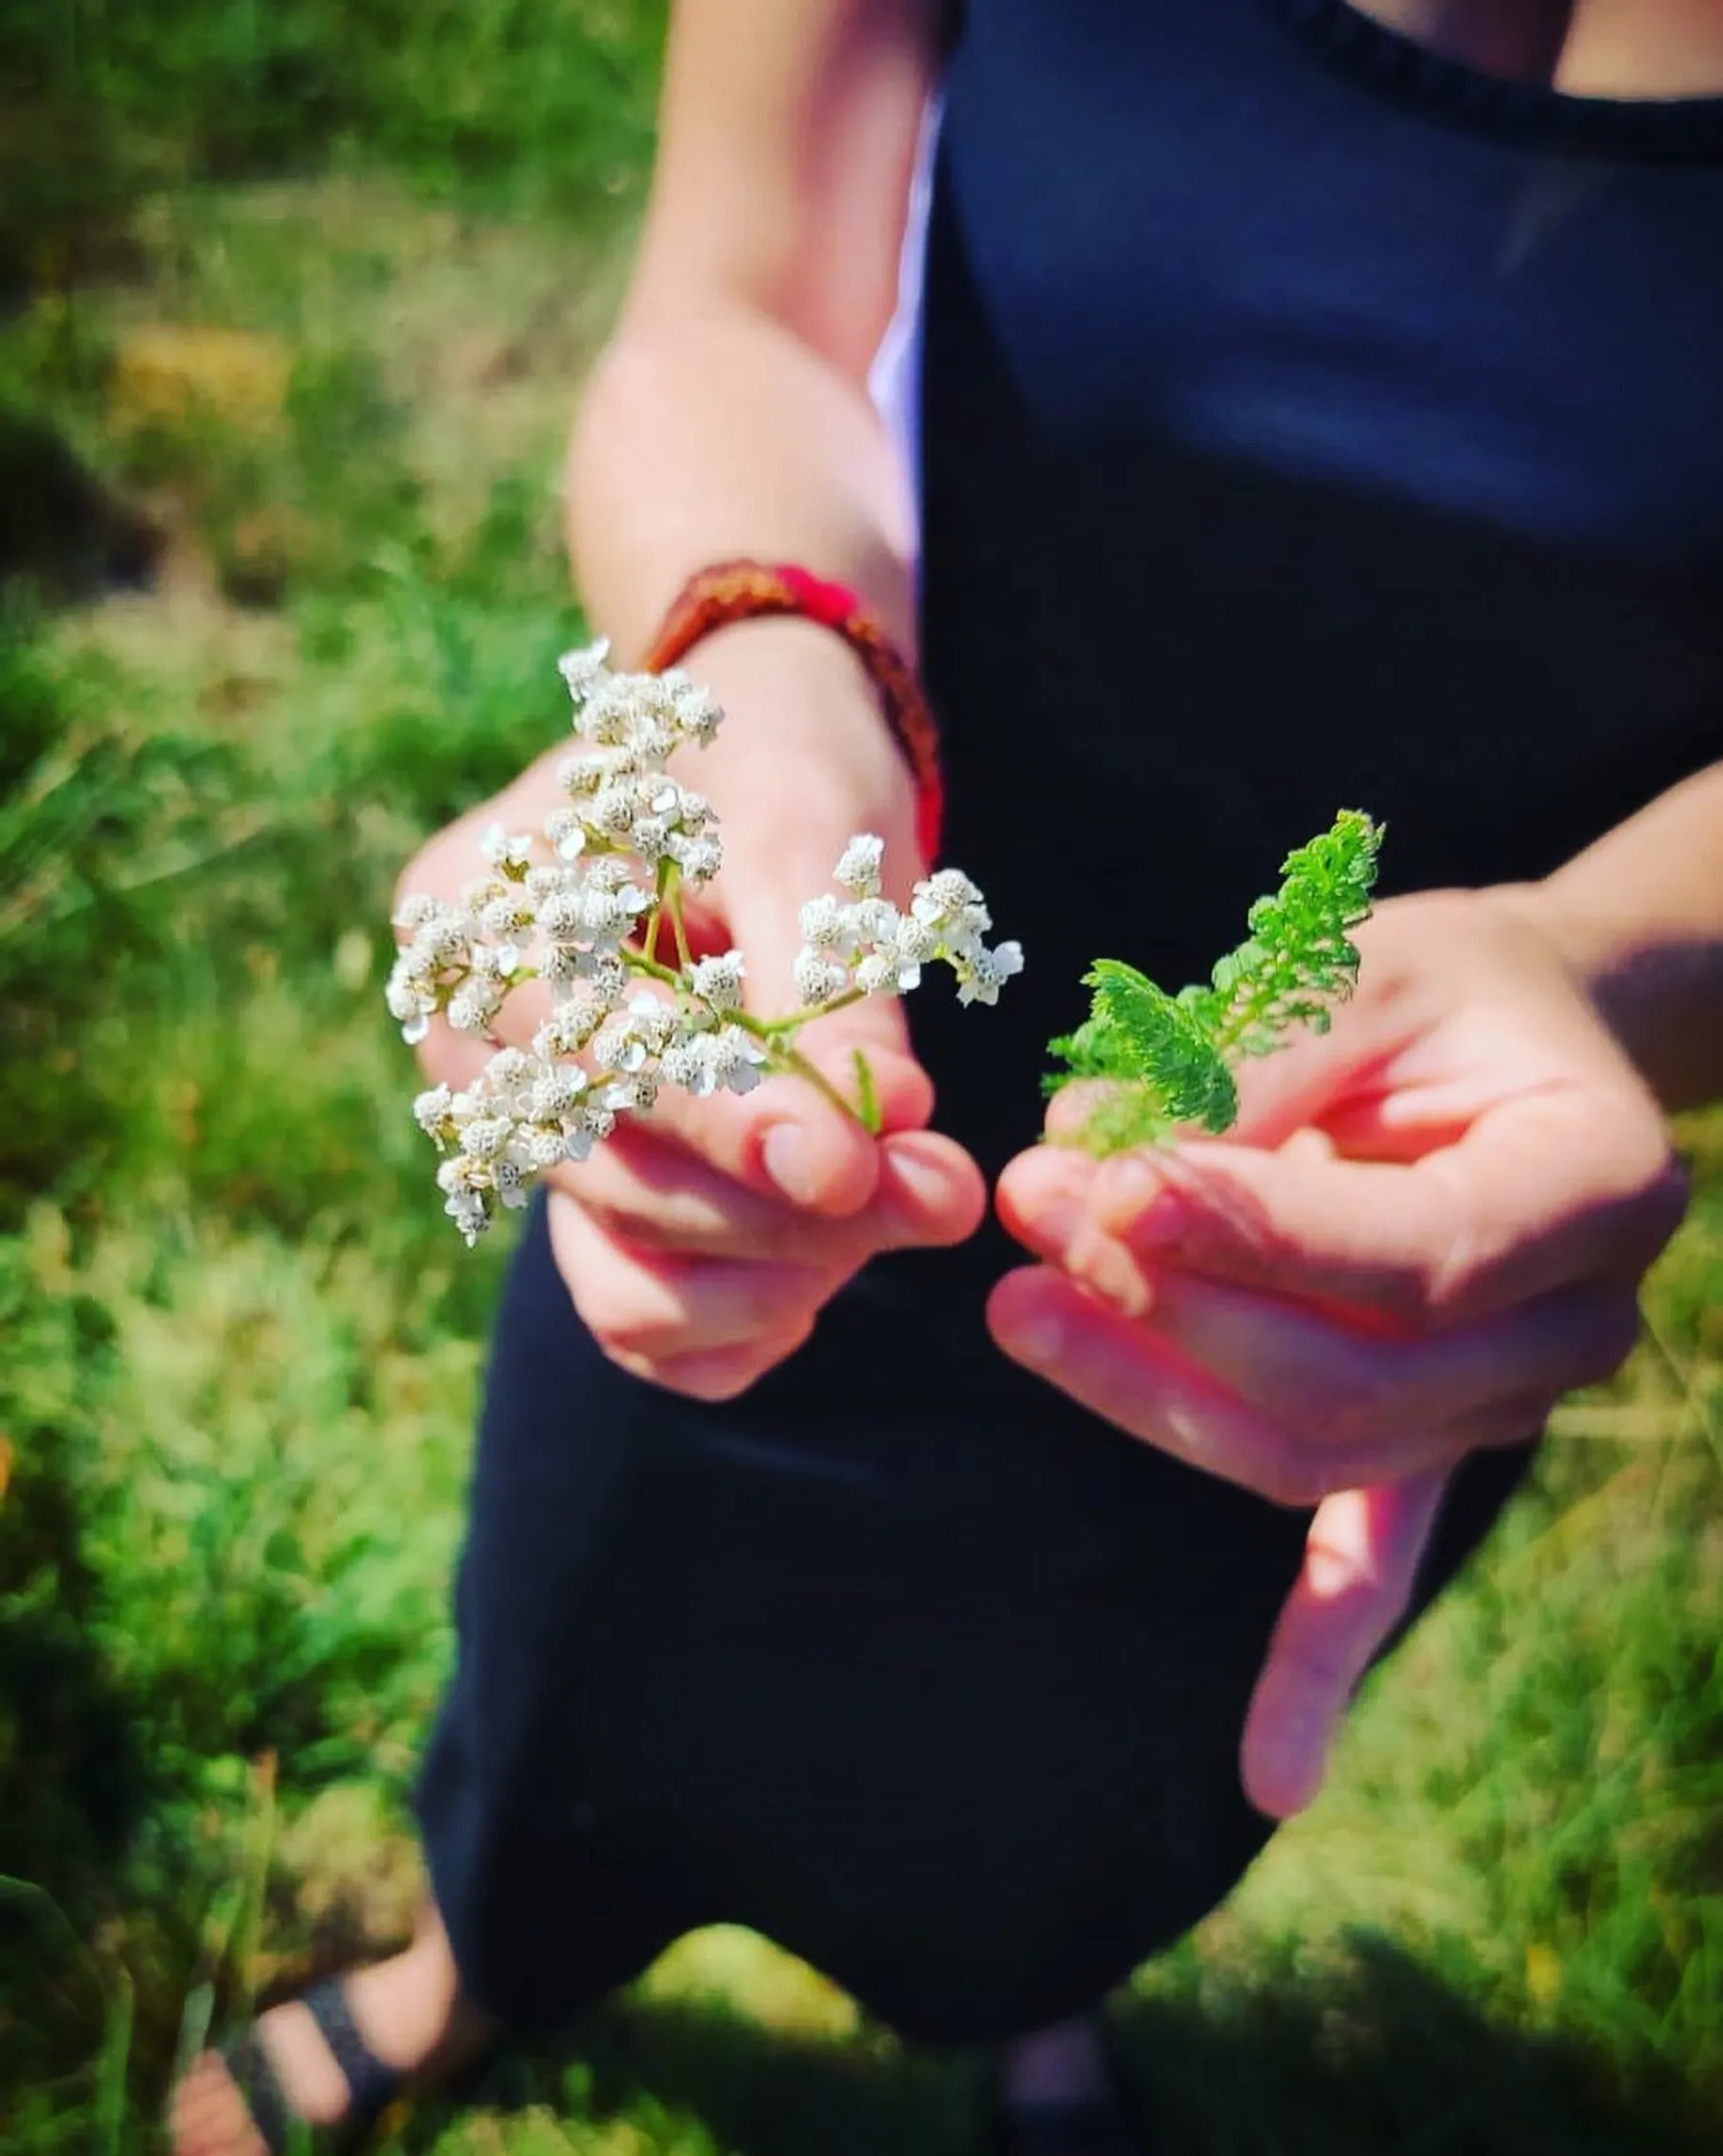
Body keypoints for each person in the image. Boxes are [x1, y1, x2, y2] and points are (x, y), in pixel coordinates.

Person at [173, 1, 1723, 2149]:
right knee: (591, 1635)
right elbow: (736, 306)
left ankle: (1035, 2007)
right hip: (831, 987)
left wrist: (1599, 965)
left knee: (1123, 1742)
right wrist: (767, 664)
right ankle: (480, 1962)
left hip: (1350, 1197)